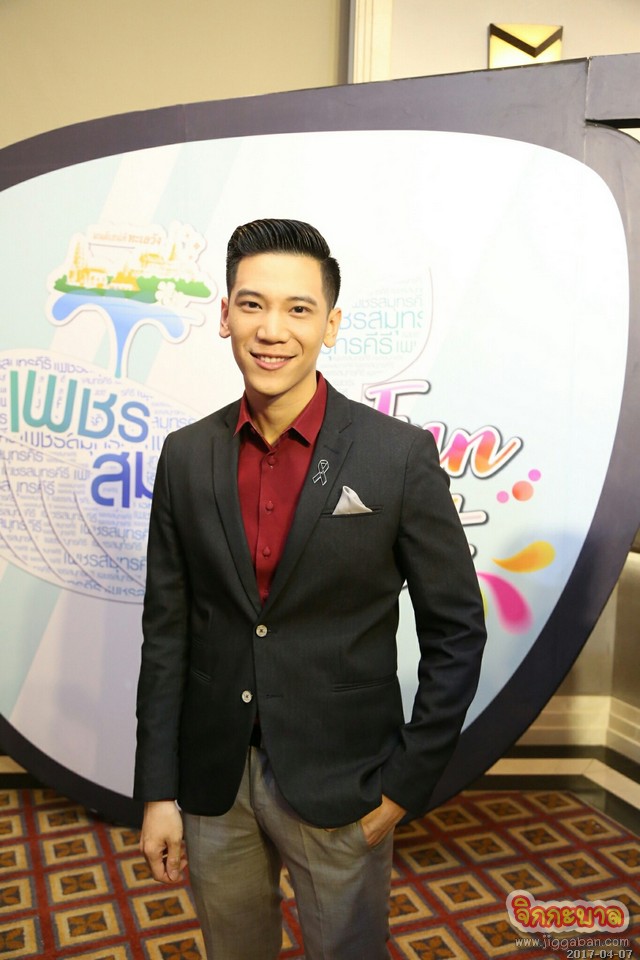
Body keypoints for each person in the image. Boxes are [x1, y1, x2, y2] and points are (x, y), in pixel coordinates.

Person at [134, 218, 486, 960]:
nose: (273, 330)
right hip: (214, 779)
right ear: (224, 315)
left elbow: (456, 629)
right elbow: (167, 632)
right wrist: (159, 791)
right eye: (252, 304)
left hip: (345, 781)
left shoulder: (397, 456)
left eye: (298, 309)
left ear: (330, 324)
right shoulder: (185, 455)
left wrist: (404, 787)